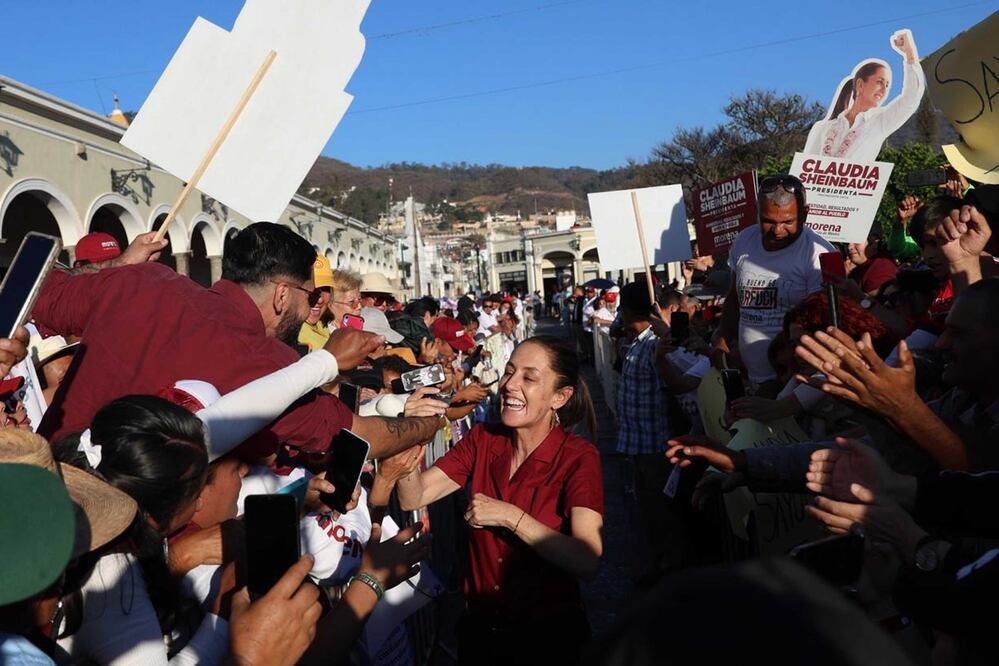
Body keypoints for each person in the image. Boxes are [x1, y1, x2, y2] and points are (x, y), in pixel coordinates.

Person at [30, 223, 442, 460]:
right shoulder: (266, 363)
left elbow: (36, 289)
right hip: (120, 547)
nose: (308, 310)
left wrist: (118, 267)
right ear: (283, 295)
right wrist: (430, 422)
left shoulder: (140, 281)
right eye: (308, 297)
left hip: (37, 484)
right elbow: (360, 437)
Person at [395, 336, 603, 666]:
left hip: (549, 640)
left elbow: (587, 560)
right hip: (479, 634)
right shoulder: (483, 438)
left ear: (560, 397)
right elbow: (413, 496)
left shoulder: (579, 457)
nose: (509, 385)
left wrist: (510, 517)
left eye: (529, 378)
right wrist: (407, 433)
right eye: (509, 372)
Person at [713, 175, 835, 393]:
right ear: (756, 212)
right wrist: (723, 339)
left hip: (794, 384)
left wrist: (783, 381)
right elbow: (733, 298)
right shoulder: (744, 241)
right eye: (769, 221)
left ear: (805, 213)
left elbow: (822, 327)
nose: (777, 231)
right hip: (746, 378)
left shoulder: (819, 253)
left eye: (787, 222)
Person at [803, 31, 923, 162]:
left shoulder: (880, 123)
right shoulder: (822, 128)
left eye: (887, 85)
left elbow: (910, 100)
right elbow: (803, 169)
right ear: (860, 85)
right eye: (880, 82)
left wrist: (910, 55)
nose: (884, 90)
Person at [297, 255, 335, 352]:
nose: (320, 300)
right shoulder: (294, 333)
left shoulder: (323, 325)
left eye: (325, 289)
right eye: (312, 289)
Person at [846, 228, 897, 296]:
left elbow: (875, 300)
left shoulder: (882, 266)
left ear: (874, 243)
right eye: (847, 242)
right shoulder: (858, 267)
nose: (849, 247)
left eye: (857, 241)